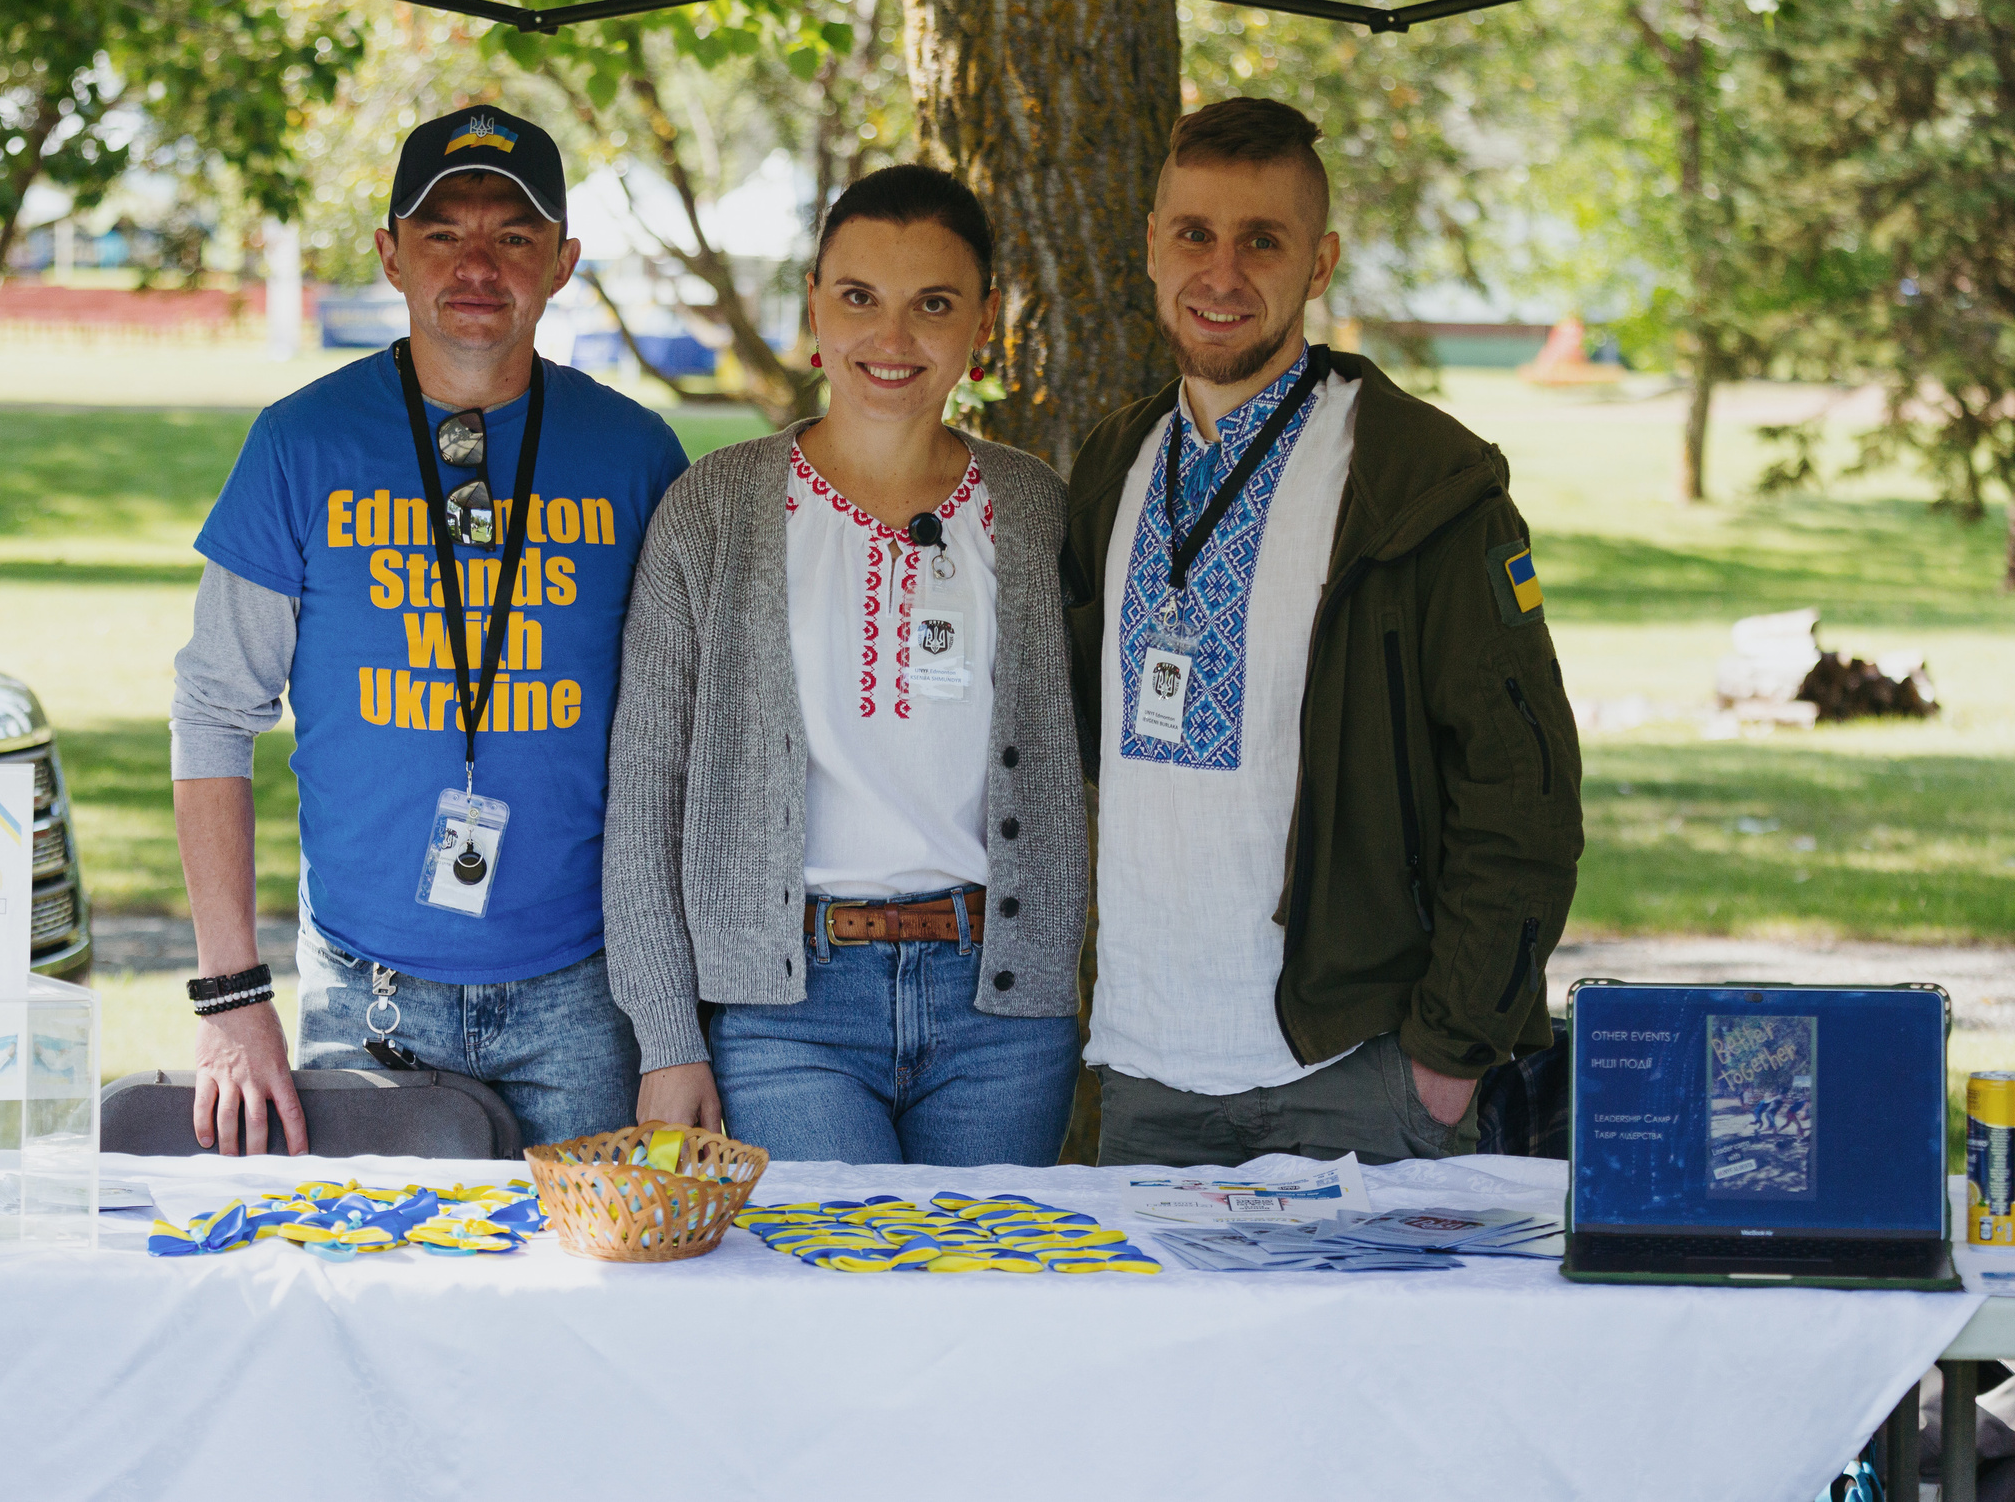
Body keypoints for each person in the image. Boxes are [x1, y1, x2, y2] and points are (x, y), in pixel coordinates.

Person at [1061, 96, 1584, 1168]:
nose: (1221, 272)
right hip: (1147, 1073)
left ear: (1321, 262)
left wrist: (1451, 1049)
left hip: (1356, 1071)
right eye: (1194, 234)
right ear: (1151, 247)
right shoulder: (1115, 464)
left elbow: (1522, 785)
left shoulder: (1418, 482)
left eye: (1263, 240)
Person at [170, 103, 689, 1153]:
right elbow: (214, 712)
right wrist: (231, 996)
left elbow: (690, 739)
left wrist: (675, 1023)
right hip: (368, 996)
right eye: (443, 232)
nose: (476, 265)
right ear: (390, 255)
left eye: (513, 235)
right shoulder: (299, 445)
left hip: (586, 999)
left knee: (590, 1265)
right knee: (369, 1264)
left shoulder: (637, 456)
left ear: (563, 262)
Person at [606, 165, 1087, 1166]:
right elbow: (646, 791)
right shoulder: (713, 510)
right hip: (787, 1012)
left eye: (934, 304)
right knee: (838, 1268)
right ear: (813, 304)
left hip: (1001, 1013)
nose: (891, 337)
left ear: (985, 319)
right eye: (860, 297)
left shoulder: (1036, 510)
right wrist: (667, 1037)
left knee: (994, 1265)